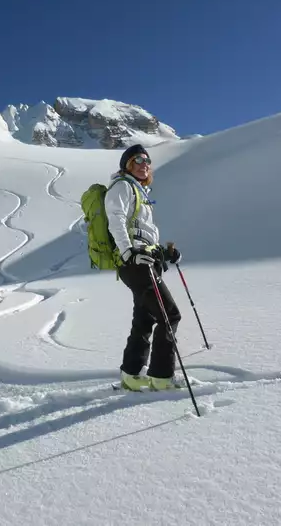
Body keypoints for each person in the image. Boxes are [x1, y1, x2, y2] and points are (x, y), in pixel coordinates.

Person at [104, 144, 183, 391]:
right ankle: (161, 377)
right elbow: (115, 220)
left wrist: (164, 253)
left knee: (145, 318)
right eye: (137, 159)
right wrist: (128, 253)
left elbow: (142, 232)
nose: (144, 163)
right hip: (135, 263)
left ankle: (131, 375)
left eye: (147, 160)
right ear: (127, 164)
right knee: (170, 315)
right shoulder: (122, 186)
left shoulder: (140, 191)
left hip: (145, 259)